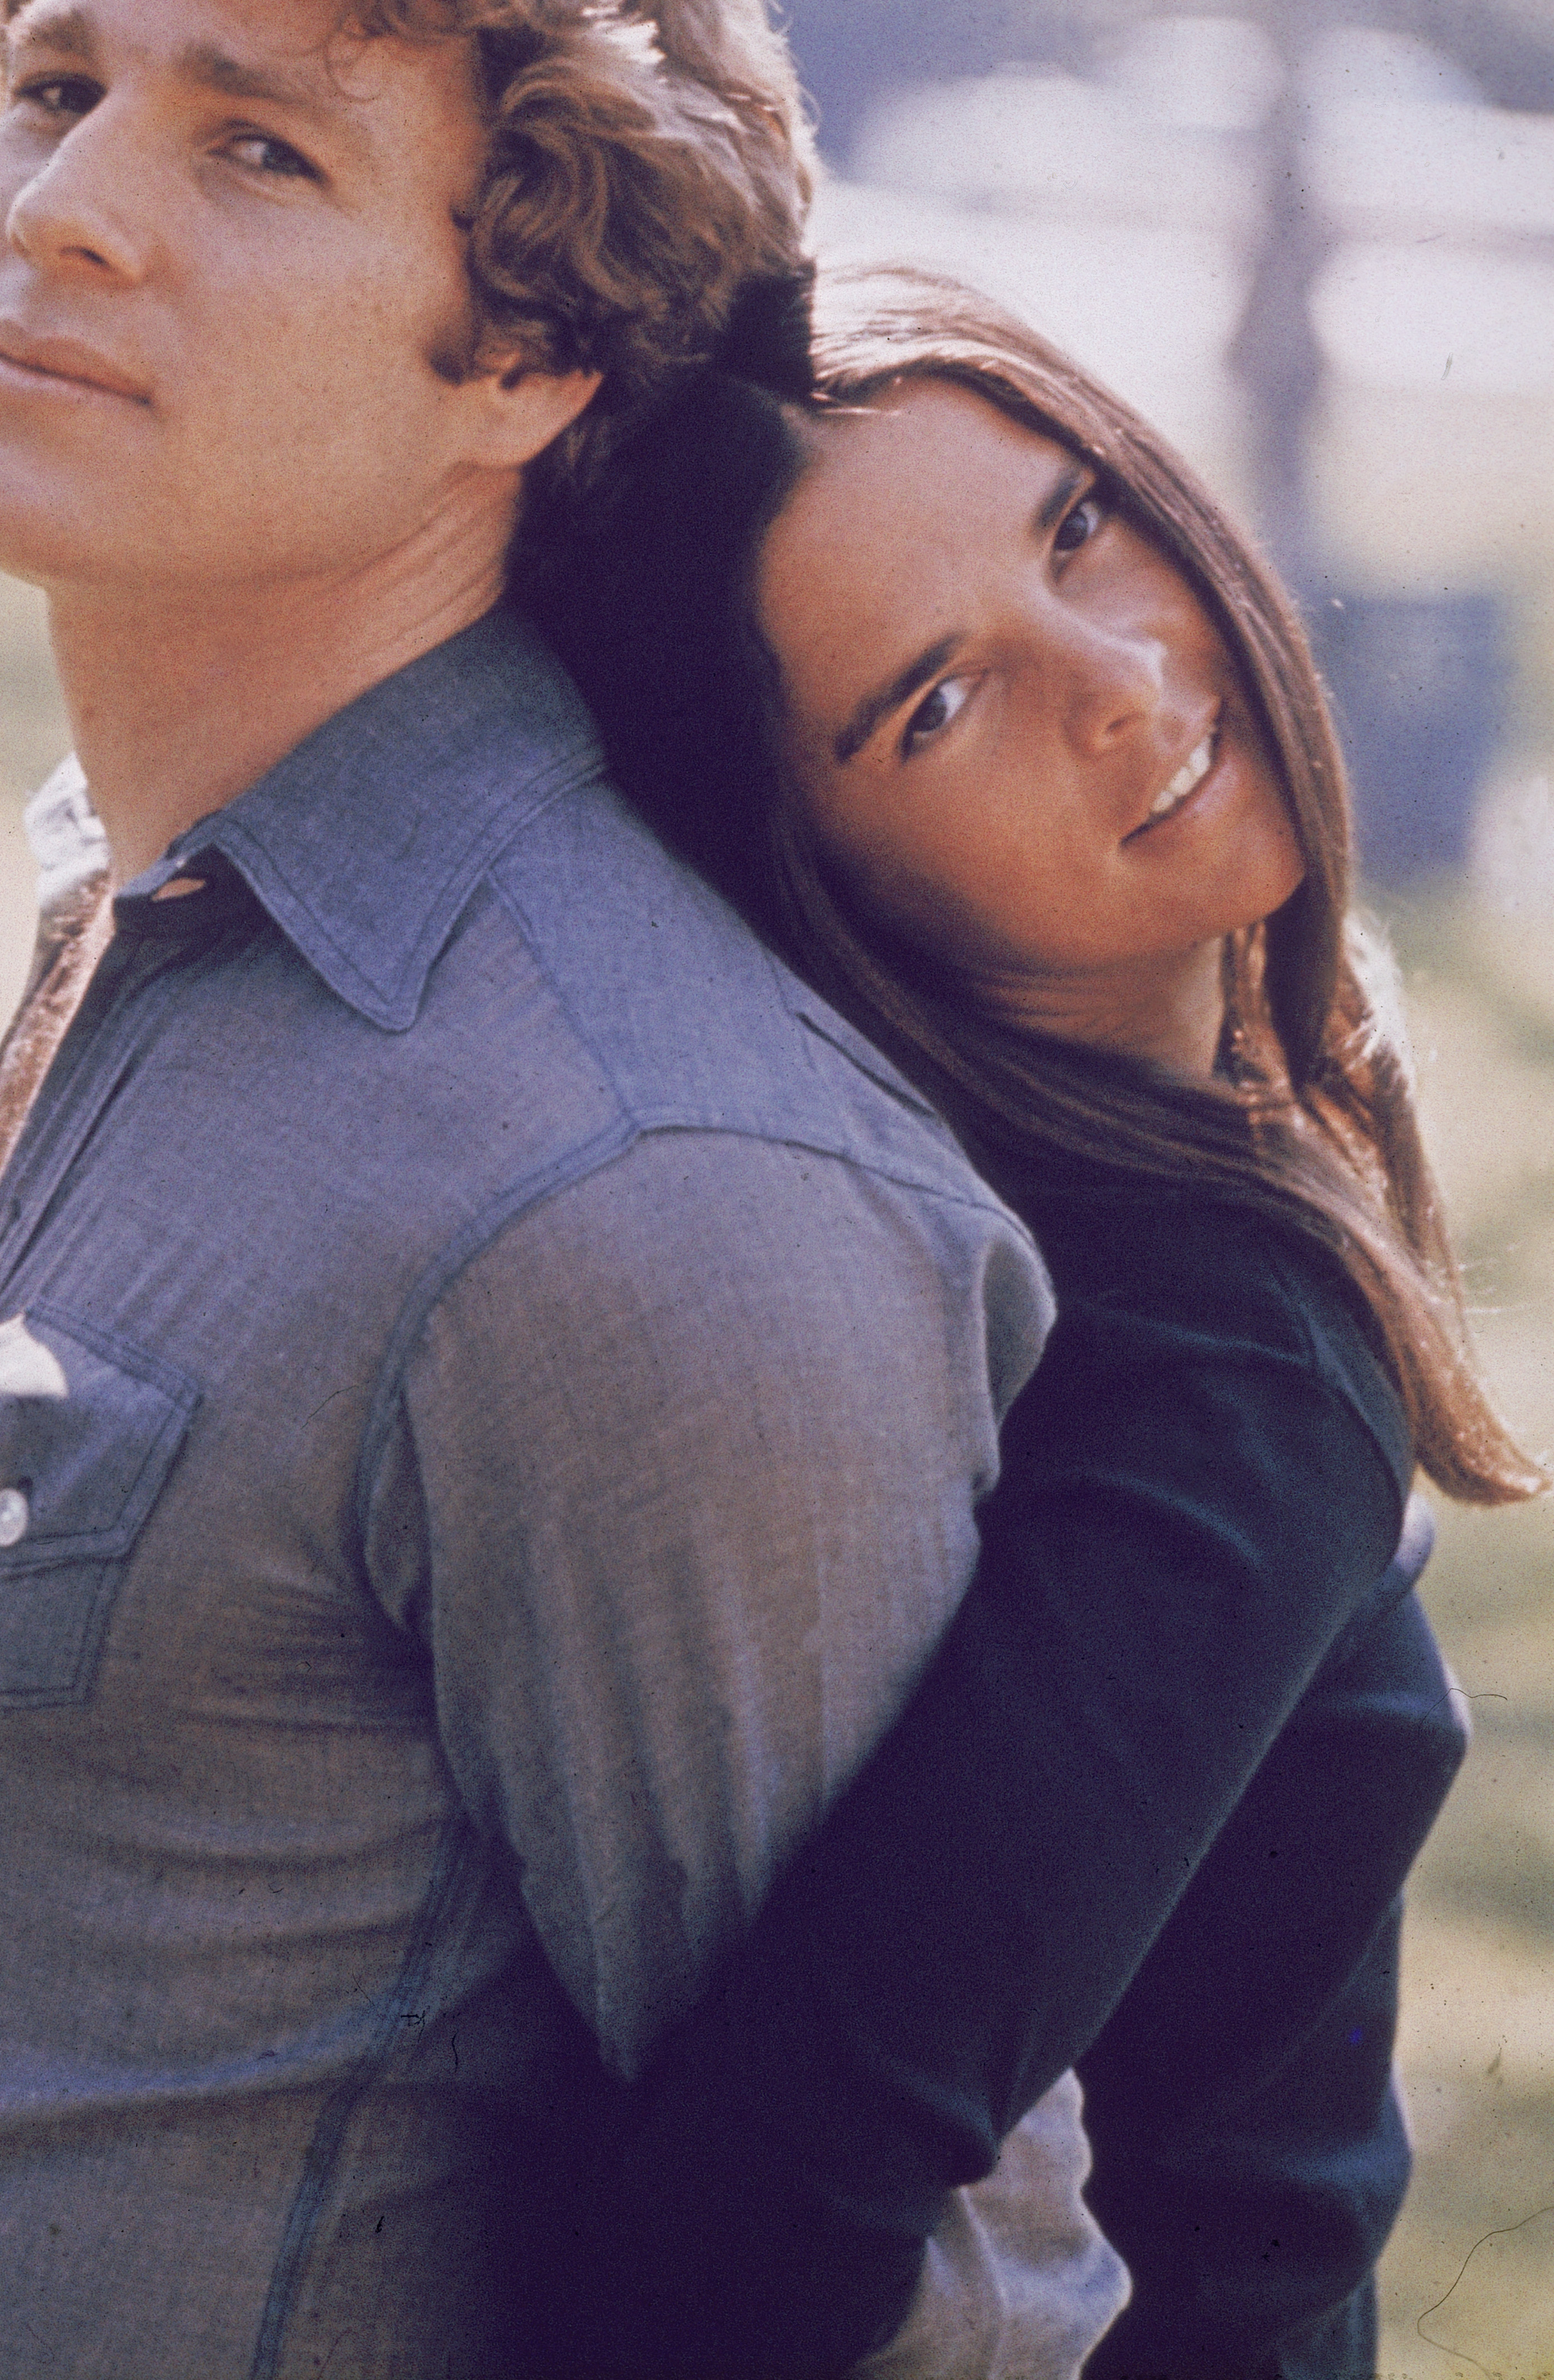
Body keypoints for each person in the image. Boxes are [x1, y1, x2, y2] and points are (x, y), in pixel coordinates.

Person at [0, 0, 1130, 2380]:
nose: (72, 203)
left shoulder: (631, 1187)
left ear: (535, 351)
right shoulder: (141, 914)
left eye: (257, 147)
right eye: (57, 82)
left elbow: (924, 2313)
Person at [517, 261, 1545, 2379]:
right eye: (938, 701)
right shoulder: (1225, 1345)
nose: (1115, 676)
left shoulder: (1065, 1214)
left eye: (1077, 523)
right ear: (817, 878)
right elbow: (774, 2191)